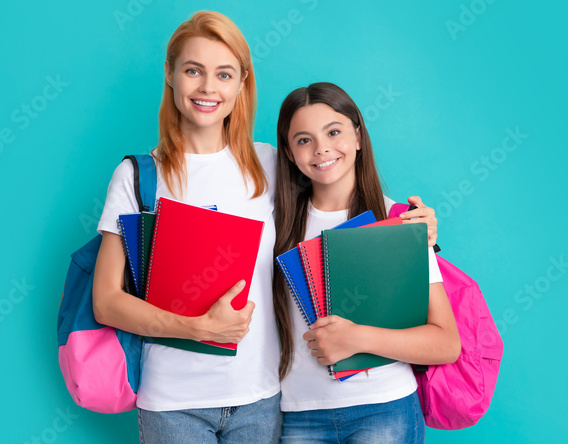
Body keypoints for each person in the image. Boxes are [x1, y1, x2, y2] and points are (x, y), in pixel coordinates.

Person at [90, 12, 437, 444]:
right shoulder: (139, 177)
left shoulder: (270, 165)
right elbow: (105, 302)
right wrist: (197, 329)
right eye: (193, 70)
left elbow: (342, 198)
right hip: (172, 401)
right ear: (170, 75)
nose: (207, 88)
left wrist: (417, 223)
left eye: (224, 73)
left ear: (241, 84)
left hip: (262, 401)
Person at [271, 82, 459, 443]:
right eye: (304, 139)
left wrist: (356, 338)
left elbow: (446, 343)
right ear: (289, 153)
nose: (322, 148)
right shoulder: (277, 224)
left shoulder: (399, 220)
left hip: (384, 408)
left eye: (334, 131)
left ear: (358, 136)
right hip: (298, 415)